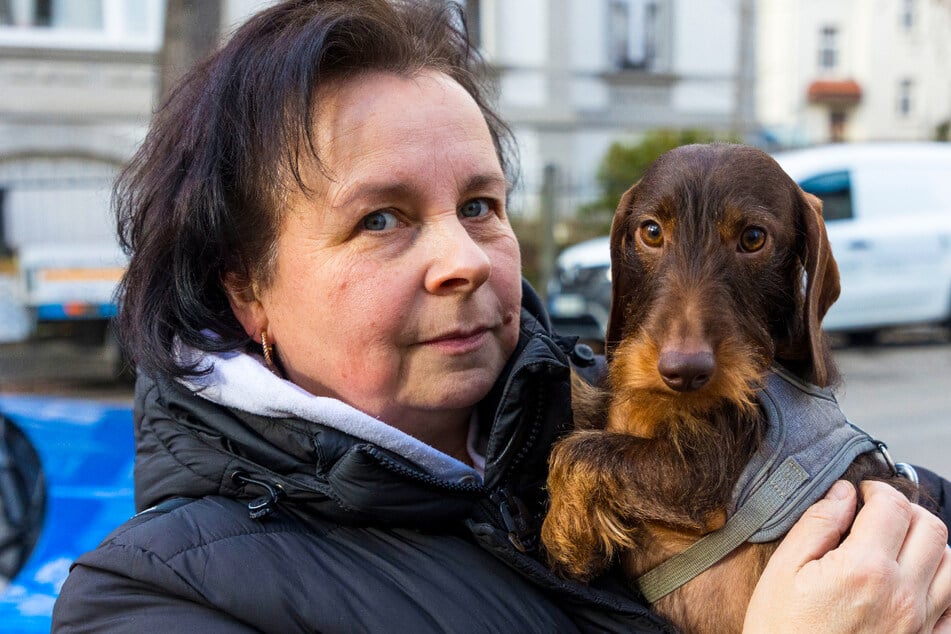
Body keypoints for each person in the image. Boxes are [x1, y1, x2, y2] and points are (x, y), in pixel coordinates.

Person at [52, 1, 951, 631]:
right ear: (247, 289)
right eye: (381, 218)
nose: (466, 259)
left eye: (479, 205)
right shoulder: (160, 596)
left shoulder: (604, 403)